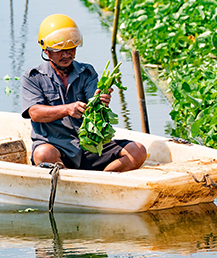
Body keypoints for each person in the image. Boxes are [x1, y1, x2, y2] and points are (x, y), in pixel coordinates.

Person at [21, 14, 147, 172]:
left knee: (138, 151)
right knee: (43, 154)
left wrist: (100, 102)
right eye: (60, 50)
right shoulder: (33, 77)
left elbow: (92, 104)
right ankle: (68, 185)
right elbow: (35, 113)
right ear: (46, 51)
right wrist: (67, 109)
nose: (67, 55)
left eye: (70, 49)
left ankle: (101, 182)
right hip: (57, 148)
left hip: (89, 145)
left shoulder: (87, 72)